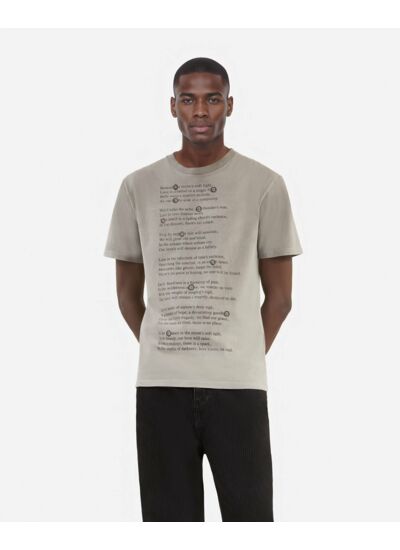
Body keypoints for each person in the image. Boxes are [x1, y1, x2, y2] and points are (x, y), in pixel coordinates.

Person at [103, 57, 303, 522]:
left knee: (250, 521)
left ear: (229, 106)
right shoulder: (138, 187)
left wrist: (239, 354)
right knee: (168, 524)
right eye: (188, 99)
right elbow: (128, 296)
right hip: (160, 389)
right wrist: (165, 348)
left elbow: (280, 298)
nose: (199, 111)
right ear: (172, 106)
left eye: (212, 99)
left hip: (238, 389)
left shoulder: (264, 185)